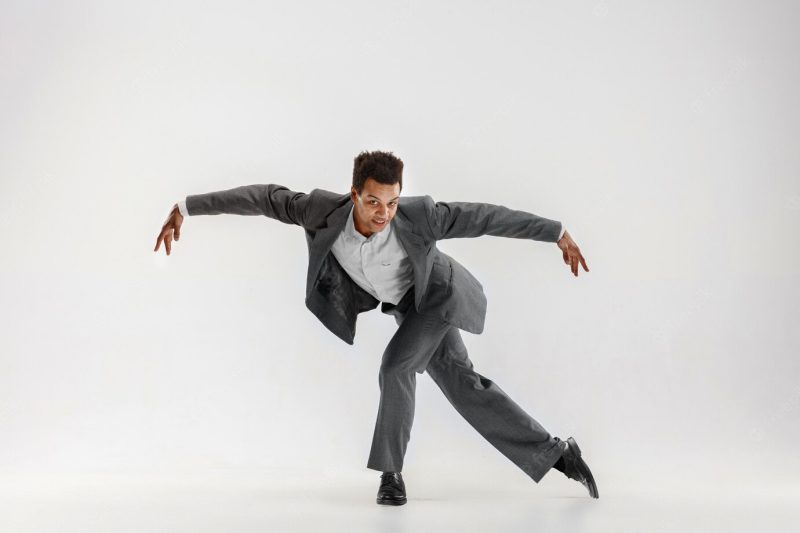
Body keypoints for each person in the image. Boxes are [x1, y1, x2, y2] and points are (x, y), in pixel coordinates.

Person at [154, 150, 597, 504]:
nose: (384, 212)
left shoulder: (421, 216)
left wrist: (555, 232)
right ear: (353, 195)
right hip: (406, 306)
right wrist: (184, 208)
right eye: (373, 202)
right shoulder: (319, 211)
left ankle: (391, 474)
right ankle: (556, 453)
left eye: (392, 201)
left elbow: (483, 216)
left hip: (437, 298)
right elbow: (261, 197)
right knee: (464, 386)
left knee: (395, 367)